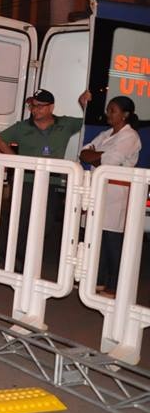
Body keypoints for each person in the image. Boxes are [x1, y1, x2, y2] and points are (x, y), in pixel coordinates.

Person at [0, 88, 89, 270]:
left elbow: (88, 122)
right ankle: (12, 258)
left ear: (51, 107)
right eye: (32, 106)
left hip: (51, 182)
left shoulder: (65, 124)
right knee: (21, 220)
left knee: (47, 222)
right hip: (27, 180)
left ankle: (24, 256)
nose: (35, 110)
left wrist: (83, 104)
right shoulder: (22, 127)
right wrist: (16, 161)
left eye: (39, 106)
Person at [79, 96, 141, 297]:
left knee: (112, 240)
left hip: (116, 194)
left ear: (125, 115)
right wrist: (96, 155)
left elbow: (110, 162)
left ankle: (115, 285)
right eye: (108, 109)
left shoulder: (130, 137)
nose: (108, 114)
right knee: (98, 236)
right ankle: (98, 281)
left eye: (112, 110)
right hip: (100, 190)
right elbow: (84, 152)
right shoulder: (107, 134)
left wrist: (96, 155)